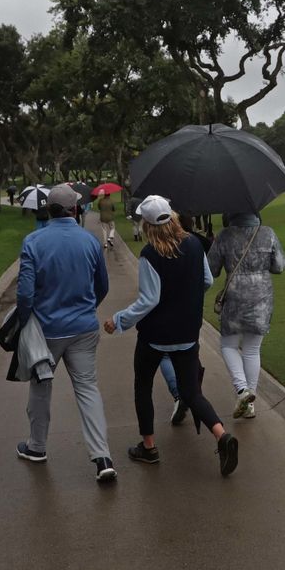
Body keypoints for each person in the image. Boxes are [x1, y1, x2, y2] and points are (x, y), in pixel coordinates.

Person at [104, 195, 240, 476]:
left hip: (155, 335)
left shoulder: (150, 255)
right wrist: (184, 297)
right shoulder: (192, 244)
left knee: (142, 385)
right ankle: (221, 435)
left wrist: (118, 320)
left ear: (148, 224)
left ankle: (149, 447)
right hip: (188, 332)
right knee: (191, 392)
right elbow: (206, 280)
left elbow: (148, 300)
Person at [15, 184, 116, 483]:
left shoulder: (34, 241)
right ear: (75, 209)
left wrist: (26, 323)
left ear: (47, 210)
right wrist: (87, 308)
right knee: (87, 389)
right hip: (84, 328)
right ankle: (102, 457)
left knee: (41, 387)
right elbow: (103, 286)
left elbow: (25, 294)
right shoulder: (89, 241)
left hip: (47, 331)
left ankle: (37, 446)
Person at [209, 211, 285, 418]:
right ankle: (249, 400)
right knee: (252, 349)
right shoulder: (268, 233)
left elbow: (212, 269)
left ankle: (243, 390)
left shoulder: (224, 235)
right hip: (261, 297)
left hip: (234, 297)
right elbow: (279, 266)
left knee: (228, 345)